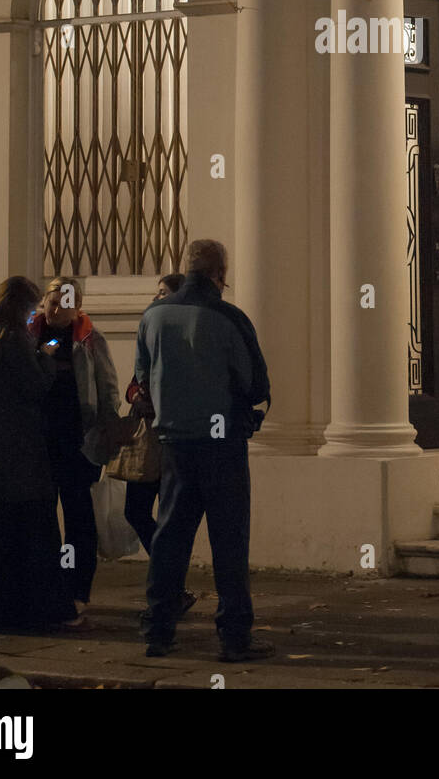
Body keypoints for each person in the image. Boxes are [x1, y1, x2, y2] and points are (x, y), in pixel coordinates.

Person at [136, 239, 272, 662]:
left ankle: (158, 631)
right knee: (229, 542)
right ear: (221, 274)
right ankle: (234, 636)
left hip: (174, 442)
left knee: (169, 538)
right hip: (222, 444)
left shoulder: (153, 316)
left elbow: (141, 378)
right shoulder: (228, 318)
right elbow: (255, 385)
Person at [0, 277, 78, 632]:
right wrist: (46, 355)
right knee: (30, 528)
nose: (35, 314)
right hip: (22, 445)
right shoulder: (14, 340)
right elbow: (35, 387)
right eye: (33, 308)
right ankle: (35, 609)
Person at [28, 278, 120, 610]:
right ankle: (48, 585)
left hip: (79, 444)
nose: (55, 309)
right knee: (41, 517)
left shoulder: (90, 340)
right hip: (41, 443)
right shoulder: (31, 334)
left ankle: (77, 588)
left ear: (76, 307)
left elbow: (107, 387)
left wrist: (107, 430)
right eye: (51, 302)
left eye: (64, 303)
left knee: (78, 518)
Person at [122, 273, 196, 616]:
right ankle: (172, 585)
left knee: (159, 515)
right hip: (149, 433)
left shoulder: (177, 331)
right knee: (138, 511)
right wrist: (136, 393)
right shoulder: (151, 325)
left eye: (163, 293)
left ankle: (170, 587)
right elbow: (137, 378)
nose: (156, 299)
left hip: (165, 436)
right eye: (156, 293)